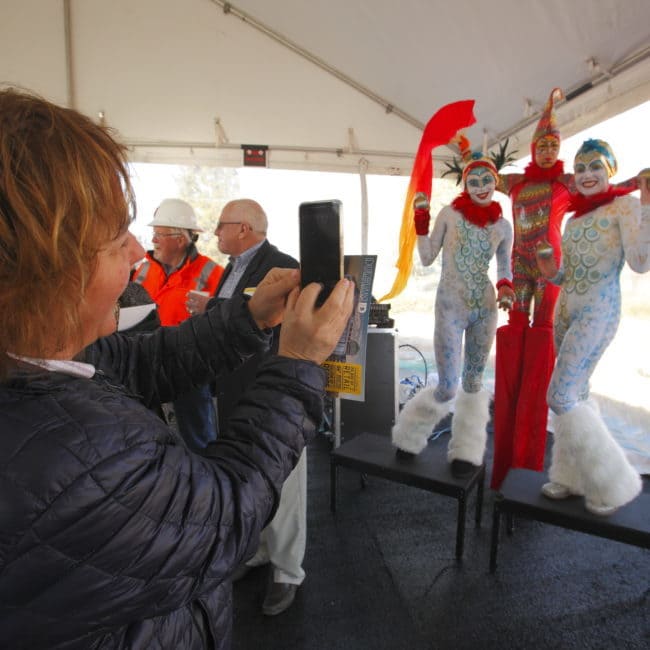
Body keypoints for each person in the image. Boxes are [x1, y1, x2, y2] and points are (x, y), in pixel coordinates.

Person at [0, 87, 354, 649]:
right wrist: (299, 363)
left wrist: (247, 319)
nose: (138, 249)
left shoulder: (32, 364)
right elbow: (229, 509)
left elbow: (144, 358)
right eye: (117, 239)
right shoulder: (93, 460)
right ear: (51, 272)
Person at [490, 88, 638, 489]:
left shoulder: (569, 185)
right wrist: (469, 153)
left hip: (580, 297)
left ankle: (612, 477)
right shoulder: (523, 185)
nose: (546, 150)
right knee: (570, 386)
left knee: (558, 388)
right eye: (542, 144)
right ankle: (573, 476)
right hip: (537, 275)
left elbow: (614, 192)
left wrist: (639, 186)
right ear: (533, 147)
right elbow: (483, 178)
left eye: (554, 145)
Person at [187, 199, 305, 616]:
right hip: (234, 387)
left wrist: (210, 307)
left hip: (271, 391)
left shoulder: (284, 266)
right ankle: (255, 551)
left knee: (286, 485)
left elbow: (265, 318)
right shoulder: (230, 269)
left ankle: (287, 571)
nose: (215, 233)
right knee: (247, 479)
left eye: (221, 225)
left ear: (244, 228)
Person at [535, 140, 649, 515]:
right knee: (577, 396)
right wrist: (551, 270)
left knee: (560, 396)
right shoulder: (575, 217)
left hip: (598, 312)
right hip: (565, 311)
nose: (586, 175)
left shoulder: (626, 206)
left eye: (595, 167)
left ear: (610, 171)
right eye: (580, 168)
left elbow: (640, 262)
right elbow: (568, 275)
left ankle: (615, 483)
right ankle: (571, 478)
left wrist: (647, 208)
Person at [391, 138, 514, 477]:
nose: (480, 187)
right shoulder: (449, 214)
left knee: (474, 382)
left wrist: (506, 289)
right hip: (449, 306)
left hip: (485, 308)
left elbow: (505, 268)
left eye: (486, 180)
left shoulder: (503, 226)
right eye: (473, 181)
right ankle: (408, 437)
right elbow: (428, 257)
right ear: (464, 184)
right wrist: (420, 222)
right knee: (447, 385)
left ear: (496, 182)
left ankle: (467, 452)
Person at [132, 198, 224, 451]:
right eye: (154, 234)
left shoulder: (212, 273)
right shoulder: (141, 270)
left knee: (197, 434)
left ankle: (204, 476)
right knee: (144, 429)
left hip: (190, 364)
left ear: (180, 239)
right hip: (144, 359)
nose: (153, 240)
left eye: (159, 234)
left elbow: (223, 320)